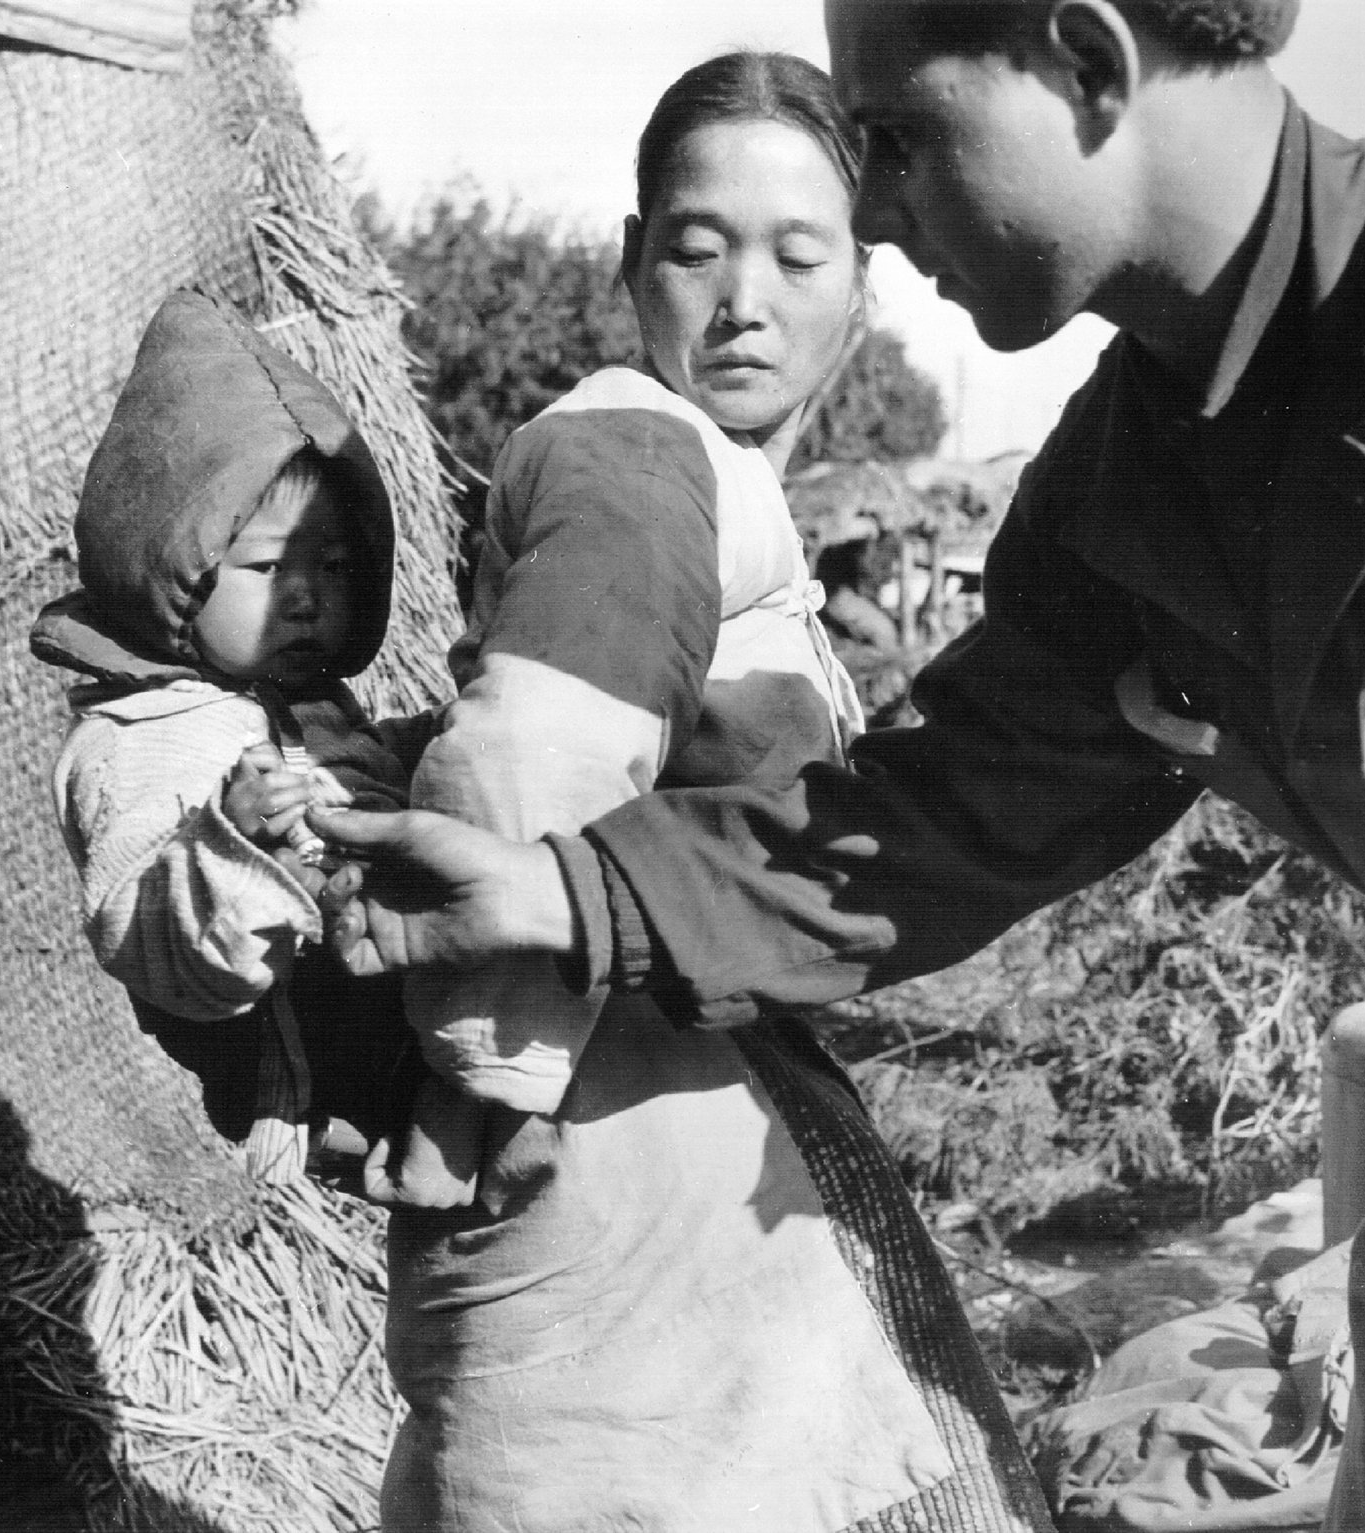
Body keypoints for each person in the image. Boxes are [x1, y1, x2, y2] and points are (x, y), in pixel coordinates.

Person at [312, 5, 1365, 1530]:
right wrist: (564, 892)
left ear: (1086, 56)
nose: (868, 206)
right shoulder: (1120, 494)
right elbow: (934, 823)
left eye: (895, 136)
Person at [368, 52, 1049, 1533]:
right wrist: (495, 1078)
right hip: (613, 1145)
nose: (746, 297)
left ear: (857, 289)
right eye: (698, 246)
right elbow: (525, 765)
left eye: (799, 254)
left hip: (669, 1115)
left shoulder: (721, 482)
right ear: (632, 263)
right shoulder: (640, 455)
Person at [30, 288, 429, 1186]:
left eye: (331, 565)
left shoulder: (312, 706)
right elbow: (151, 939)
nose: (305, 594)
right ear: (176, 573)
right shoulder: (141, 741)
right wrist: (232, 841)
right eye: (265, 565)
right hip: (296, 1132)